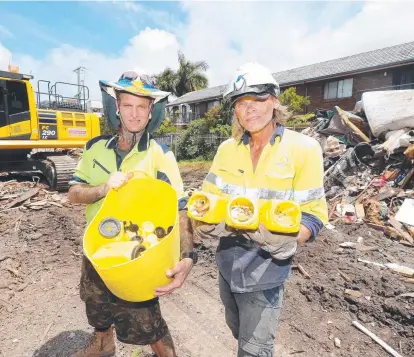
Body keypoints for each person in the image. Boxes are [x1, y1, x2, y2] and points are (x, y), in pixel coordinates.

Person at [194, 63, 328, 357]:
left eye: (258, 100)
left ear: (275, 101)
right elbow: (207, 199)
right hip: (228, 262)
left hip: (267, 267)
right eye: (242, 103)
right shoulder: (226, 150)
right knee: (237, 330)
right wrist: (200, 220)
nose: (249, 109)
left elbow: (315, 213)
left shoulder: (303, 148)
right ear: (235, 111)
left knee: (254, 350)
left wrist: (292, 237)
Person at [67, 71, 197, 357]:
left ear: (151, 111)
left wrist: (188, 258)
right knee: (95, 304)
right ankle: (103, 343)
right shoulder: (94, 149)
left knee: (146, 317)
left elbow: (180, 207)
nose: (135, 114)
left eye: (142, 106)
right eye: (128, 105)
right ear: (117, 107)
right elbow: (73, 193)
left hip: (139, 254)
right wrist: (103, 188)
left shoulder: (159, 154)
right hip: (97, 250)